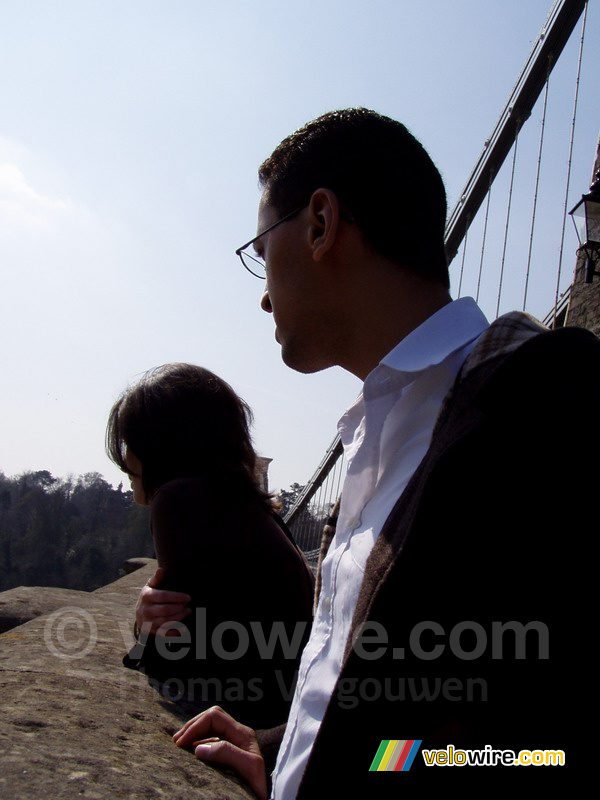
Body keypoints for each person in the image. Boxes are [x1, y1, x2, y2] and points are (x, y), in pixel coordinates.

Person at [158, 109, 592, 792]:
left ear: (321, 224)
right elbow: (384, 708)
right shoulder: (372, 432)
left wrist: (354, 769)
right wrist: (283, 751)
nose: (265, 298)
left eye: (262, 251)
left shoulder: (549, 410)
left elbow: (543, 754)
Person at [106, 362, 314, 729]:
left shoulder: (178, 498)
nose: (126, 456)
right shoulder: (248, 508)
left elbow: (169, 657)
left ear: (161, 441)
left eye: (131, 439)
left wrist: (143, 631)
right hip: (284, 711)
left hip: (256, 723)